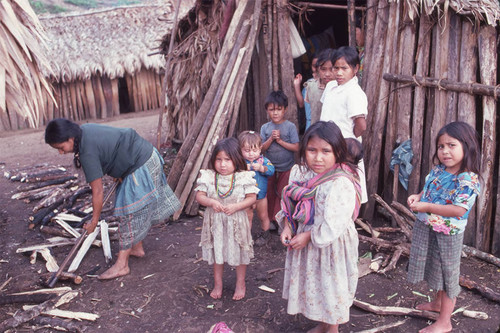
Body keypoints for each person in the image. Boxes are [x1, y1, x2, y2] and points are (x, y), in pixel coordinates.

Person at [45, 118, 181, 280]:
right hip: (141, 157)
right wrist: (119, 168)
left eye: (61, 148)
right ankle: (137, 248)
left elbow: (97, 191)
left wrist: (94, 221)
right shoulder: (84, 131)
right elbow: (112, 147)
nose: (61, 152)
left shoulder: (86, 151)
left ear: (70, 138)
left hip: (141, 163)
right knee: (130, 208)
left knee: (127, 213)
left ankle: (122, 265)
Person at [277, 121, 362, 333]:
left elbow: (336, 222)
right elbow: (290, 204)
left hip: (330, 243)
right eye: (312, 150)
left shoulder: (340, 182)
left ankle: (332, 328)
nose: (318, 157)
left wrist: (308, 236)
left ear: (338, 152)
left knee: (331, 286)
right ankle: (323, 324)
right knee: (316, 282)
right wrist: (287, 226)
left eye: (326, 151)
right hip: (307, 239)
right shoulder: (300, 173)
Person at [407, 121, 481, 333]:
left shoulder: (467, 179)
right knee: (435, 267)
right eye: (441, 146)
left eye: (452, 145)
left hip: (449, 234)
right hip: (428, 227)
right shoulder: (440, 170)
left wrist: (427, 206)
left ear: (467, 146)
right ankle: (437, 304)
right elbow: (430, 189)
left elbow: (459, 209)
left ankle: (445, 322)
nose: (445, 151)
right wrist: (418, 196)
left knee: (448, 274)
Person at [194, 137, 259, 300]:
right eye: (219, 160)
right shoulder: (209, 177)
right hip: (216, 223)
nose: (223, 164)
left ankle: (240, 283)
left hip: (236, 222)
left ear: (236, 159)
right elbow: (199, 196)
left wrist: (237, 206)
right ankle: (218, 284)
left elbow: (252, 198)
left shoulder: (243, 177)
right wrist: (210, 202)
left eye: (227, 160)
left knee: (240, 253)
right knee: (218, 253)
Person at [320, 46, 368, 203]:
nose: (339, 73)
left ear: (355, 69)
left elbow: (361, 126)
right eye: (336, 68)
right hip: (327, 143)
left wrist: (348, 140)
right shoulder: (330, 86)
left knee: (346, 188)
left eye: (344, 68)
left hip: (345, 147)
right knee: (328, 187)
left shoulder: (354, 92)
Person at [260, 90, 300, 227]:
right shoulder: (265, 128)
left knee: (284, 193)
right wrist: (271, 138)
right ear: (267, 110)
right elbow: (261, 149)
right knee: (269, 193)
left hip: (286, 167)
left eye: (279, 109)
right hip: (269, 167)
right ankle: (271, 219)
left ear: (285, 109)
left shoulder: (290, 127)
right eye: (271, 110)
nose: (275, 113)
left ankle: (282, 220)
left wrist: (281, 141)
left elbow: (296, 147)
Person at [238, 130, 275, 246]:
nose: (251, 154)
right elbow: (233, 173)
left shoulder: (264, 161)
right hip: (246, 197)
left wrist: (262, 168)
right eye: (247, 151)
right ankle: (246, 237)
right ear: (240, 150)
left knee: (263, 216)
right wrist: (243, 169)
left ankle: (265, 235)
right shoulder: (240, 162)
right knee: (248, 216)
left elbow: (271, 171)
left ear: (260, 148)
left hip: (261, 196)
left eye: (254, 150)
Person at [294, 49, 336, 128]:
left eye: (332, 69)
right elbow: (302, 104)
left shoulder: (343, 88)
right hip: (315, 129)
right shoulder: (311, 86)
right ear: (317, 69)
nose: (327, 74)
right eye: (323, 69)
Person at [293, 53, 318, 130]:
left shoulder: (330, 85)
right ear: (311, 66)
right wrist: (297, 85)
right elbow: (301, 104)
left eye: (320, 66)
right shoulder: (309, 83)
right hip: (310, 124)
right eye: (314, 66)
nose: (317, 69)